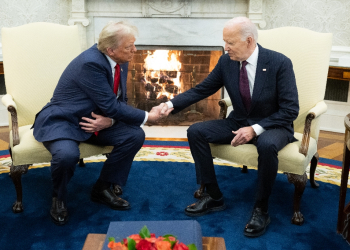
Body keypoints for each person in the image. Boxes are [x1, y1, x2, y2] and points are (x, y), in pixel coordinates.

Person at [160, 17, 299, 237]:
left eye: (230, 43)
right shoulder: (227, 62)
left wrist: (255, 129)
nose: (226, 48)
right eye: (225, 42)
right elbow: (201, 89)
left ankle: (261, 209)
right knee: (196, 131)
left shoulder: (279, 63)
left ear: (249, 41)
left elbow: (290, 110)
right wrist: (170, 104)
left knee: (266, 145)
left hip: (274, 124)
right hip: (239, 120)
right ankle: (214, 196)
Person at [32, 21, 171, 225]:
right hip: (65, 121)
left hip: (96, 120)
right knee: (67, 155)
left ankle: (102, 188)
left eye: (134, 44)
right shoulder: (91, 63)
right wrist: (147, 117)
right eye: (129, 46)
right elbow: (111, 105)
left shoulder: (120, 59)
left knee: (134, 135)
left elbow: (118, 102)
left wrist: (110, 120)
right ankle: (58, 198)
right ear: (110, 49)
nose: (135, 50)